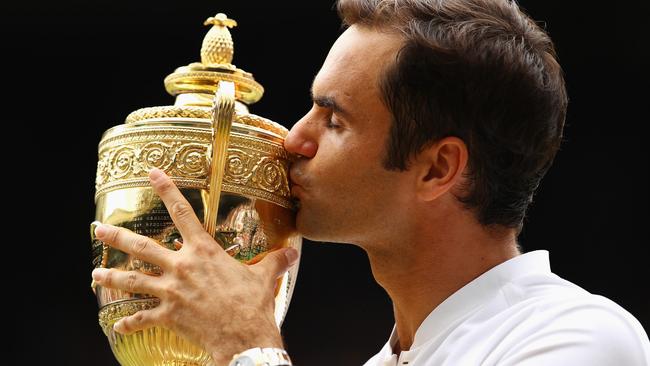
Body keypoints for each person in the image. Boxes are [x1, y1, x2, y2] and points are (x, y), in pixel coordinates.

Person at [91, 0, 650, 365]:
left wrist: (248, 345)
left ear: (437, 169)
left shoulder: (583, 339)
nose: (293, 141)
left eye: (333, 121)